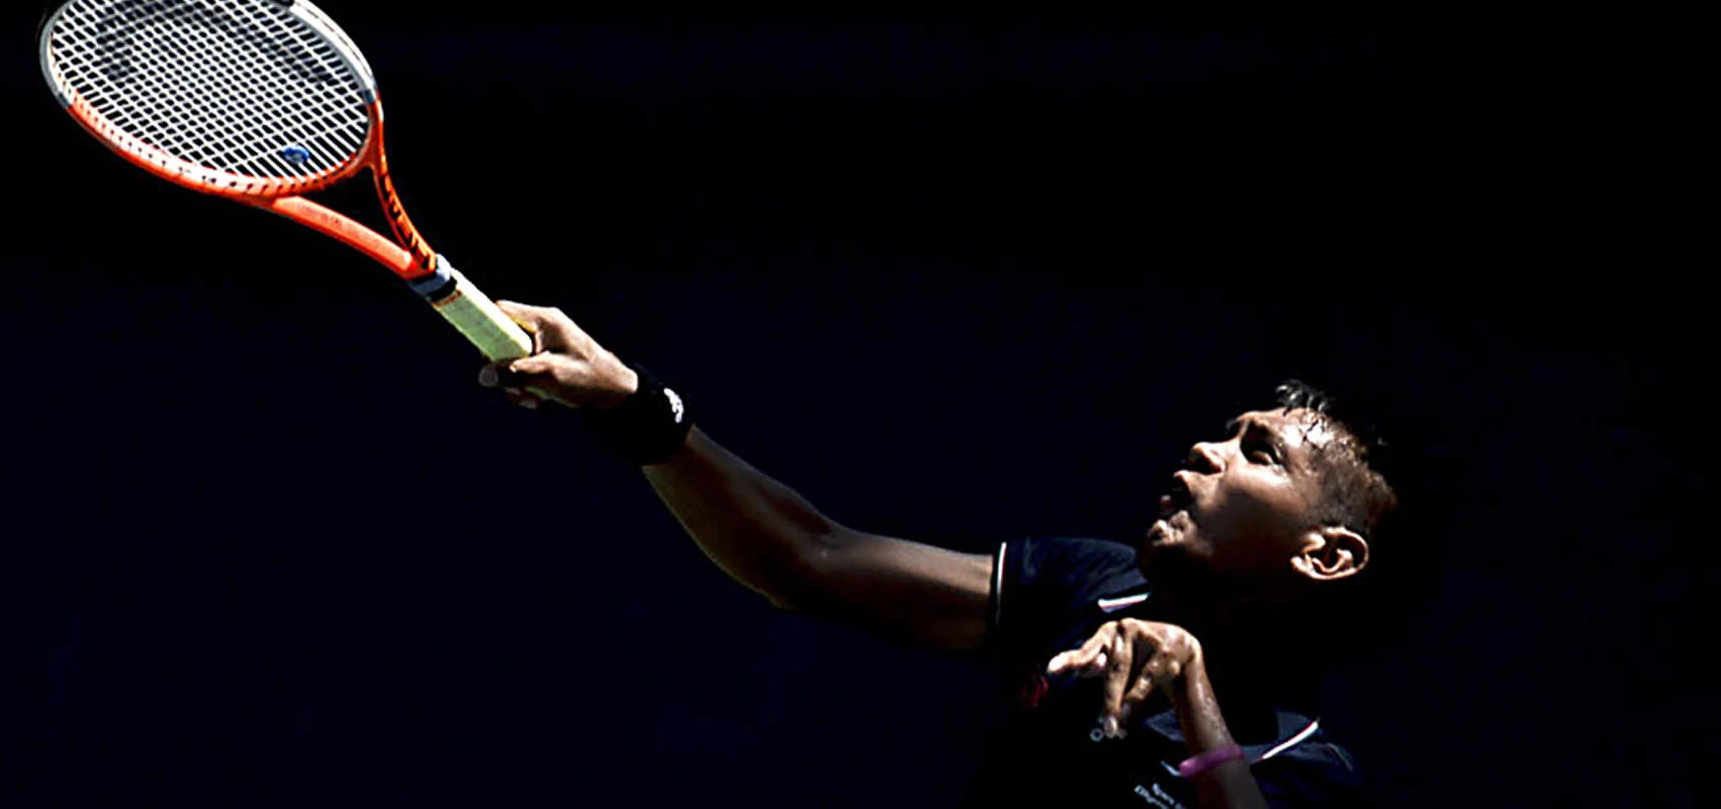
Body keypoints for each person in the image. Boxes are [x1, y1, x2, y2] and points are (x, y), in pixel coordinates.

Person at [481, 300, 1446, 807]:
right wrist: (634, 406)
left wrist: (1194, 703)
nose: (1208, 447)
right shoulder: (1091, 586)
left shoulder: (1311, 773)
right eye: (1229, 429)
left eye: (1259, 453)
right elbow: (807, 558)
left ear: (1327, 556)